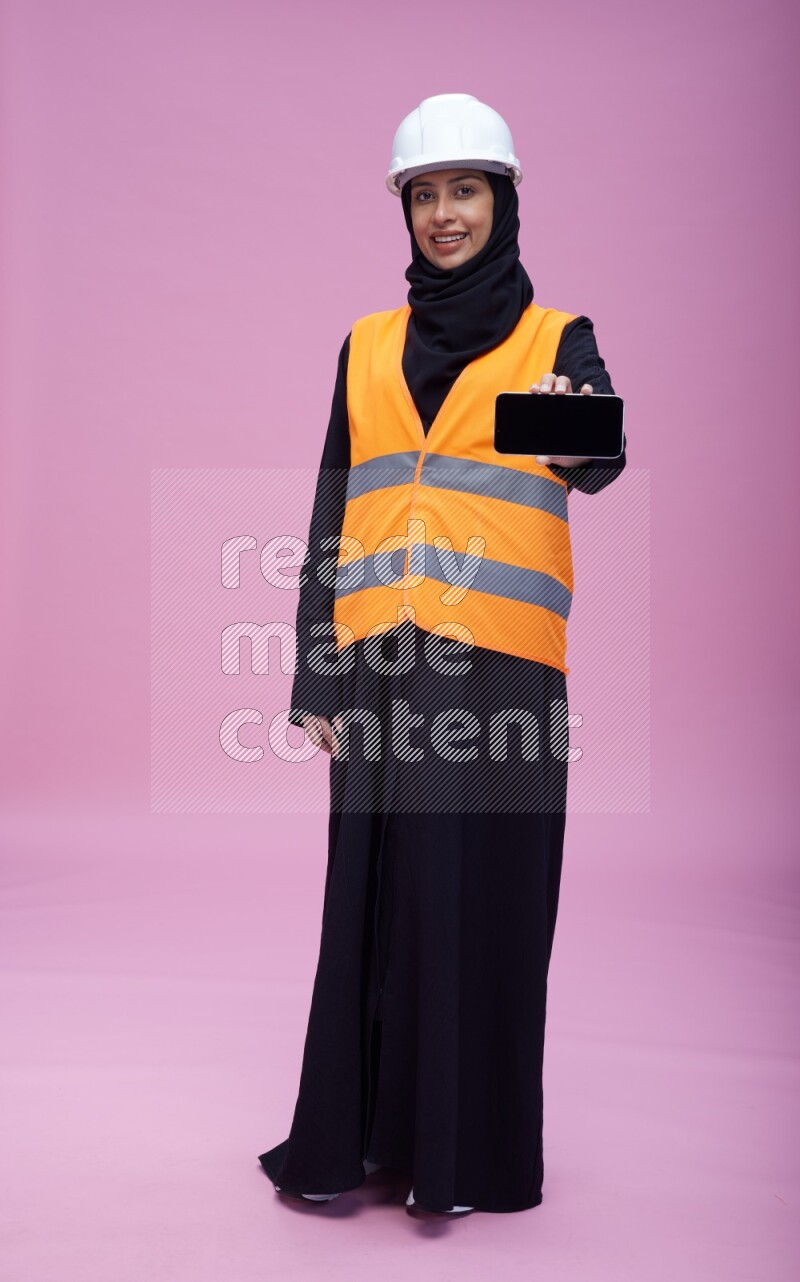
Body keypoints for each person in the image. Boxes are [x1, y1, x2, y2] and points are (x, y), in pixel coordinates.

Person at [257, 93, 627, 1218]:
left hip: (498, 671)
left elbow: (593, 456)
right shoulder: (367, 344)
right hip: (374, 667)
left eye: (464, 190)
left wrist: (576, 423)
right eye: (425, 194)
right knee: (371, 900)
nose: (444, 213)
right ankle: (360, 1145)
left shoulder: (550, 339)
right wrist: (311, 671)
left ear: (502, 200)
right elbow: (334, 508)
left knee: (476, 901)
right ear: (405, 210)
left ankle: (467, 1162)